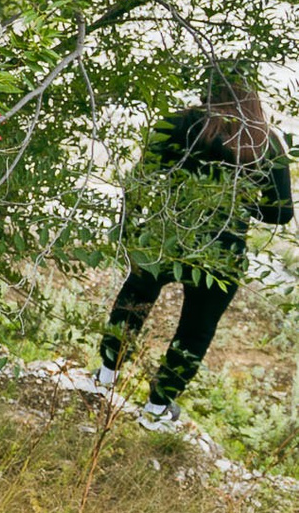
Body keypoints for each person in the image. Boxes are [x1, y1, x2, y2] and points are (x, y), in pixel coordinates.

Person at [97, 73, 292, 426]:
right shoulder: (267, 143)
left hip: (166, 237)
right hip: (222, 254)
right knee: (196, 330)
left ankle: (105, 378)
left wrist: (130, 232)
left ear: (207, 89)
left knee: (134, 302)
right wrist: (243, 203)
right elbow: (281, 214)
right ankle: (156, 408)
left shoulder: (179, 123)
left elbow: (138, 180)